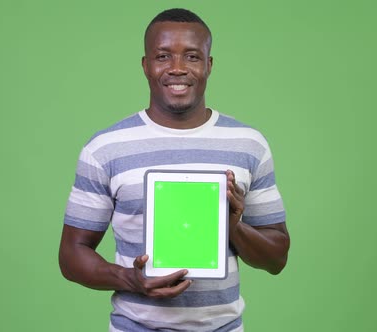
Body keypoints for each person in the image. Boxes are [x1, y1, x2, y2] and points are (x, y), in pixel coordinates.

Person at [59, 8, 290, 332]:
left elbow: (277, 257)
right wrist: (130, 279)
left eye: (192, 57)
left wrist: (233, 227)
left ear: (209, 65)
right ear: (145, 65)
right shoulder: (104, 148)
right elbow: (71, 255)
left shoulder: (248, 144)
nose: (178, 68)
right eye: (163, 56)